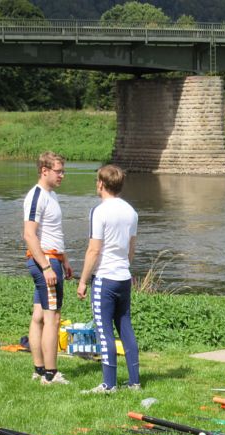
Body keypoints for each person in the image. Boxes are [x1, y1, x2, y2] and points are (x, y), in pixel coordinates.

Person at [77, 164, 141, 393]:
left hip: (104, 278)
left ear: (101, 184)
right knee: (126, 328)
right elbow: (131, 249)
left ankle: (108, 384)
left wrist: (83, 280)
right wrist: (124, 266)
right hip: (124, 277)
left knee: (103, 331)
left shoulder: (99, 211)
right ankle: (134, 382)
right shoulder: (131, 212)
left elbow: (94, 250)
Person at [23, 151, 73, 385]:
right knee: (53, 317)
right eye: (58, 171)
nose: (62, 175)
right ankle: (51, 375)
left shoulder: (51, 195)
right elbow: (29, 235)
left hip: (54, 260)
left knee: (39, 316)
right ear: (44, 171)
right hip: (45, 262)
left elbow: (53, 234)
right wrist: (46, 267)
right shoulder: (37, 196)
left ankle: (39, 369)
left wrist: (65, 261)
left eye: (63, 171)